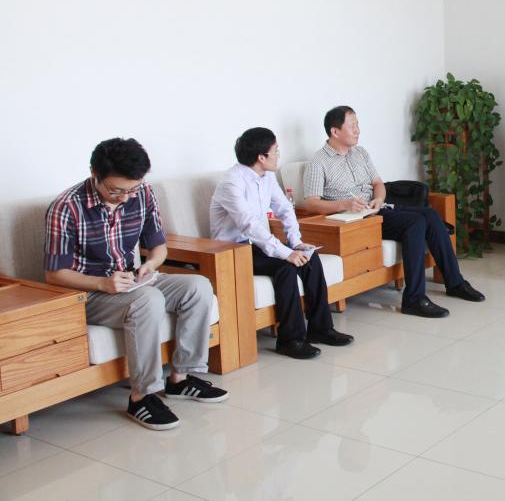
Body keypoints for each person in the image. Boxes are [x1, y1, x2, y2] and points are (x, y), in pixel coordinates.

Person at [44, 138, 228, 431]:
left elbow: (158, 247)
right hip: (88, 293)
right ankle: (141, 396)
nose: (125, 198)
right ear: (94, 173)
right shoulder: (66, 207)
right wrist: (102, 283)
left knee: (198, 287)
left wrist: (150, 265)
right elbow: (54, 274)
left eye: (131, 190)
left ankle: (181, 379)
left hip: (132, 281)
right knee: (148, 300)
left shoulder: (142, 193)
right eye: (116, 190)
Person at [300, 106, 485, 318]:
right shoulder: (318, 162)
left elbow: (378, 183)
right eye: (352, 126)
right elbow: (311, 203)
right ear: (335, 131)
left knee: (431, 215)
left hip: (377, 210)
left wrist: (379, 199)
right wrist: (344, 204)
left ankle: (455, 283)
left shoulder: (360, 153)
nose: (358, 130)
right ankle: (414, 299)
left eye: (357, 124)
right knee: (415, 222)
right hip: (353, 221)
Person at [210, 127, 353, 360]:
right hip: (233, 251)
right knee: (286, 267)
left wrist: (296, 243)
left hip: (257, 245)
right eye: (275, 151)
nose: (278, 155)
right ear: (261, 157)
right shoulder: (232, 182)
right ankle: (290, 340)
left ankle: (320, 328)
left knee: (309, 258)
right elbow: (249, 225)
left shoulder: (266, 177)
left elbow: (285, 209)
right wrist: (285, 253)